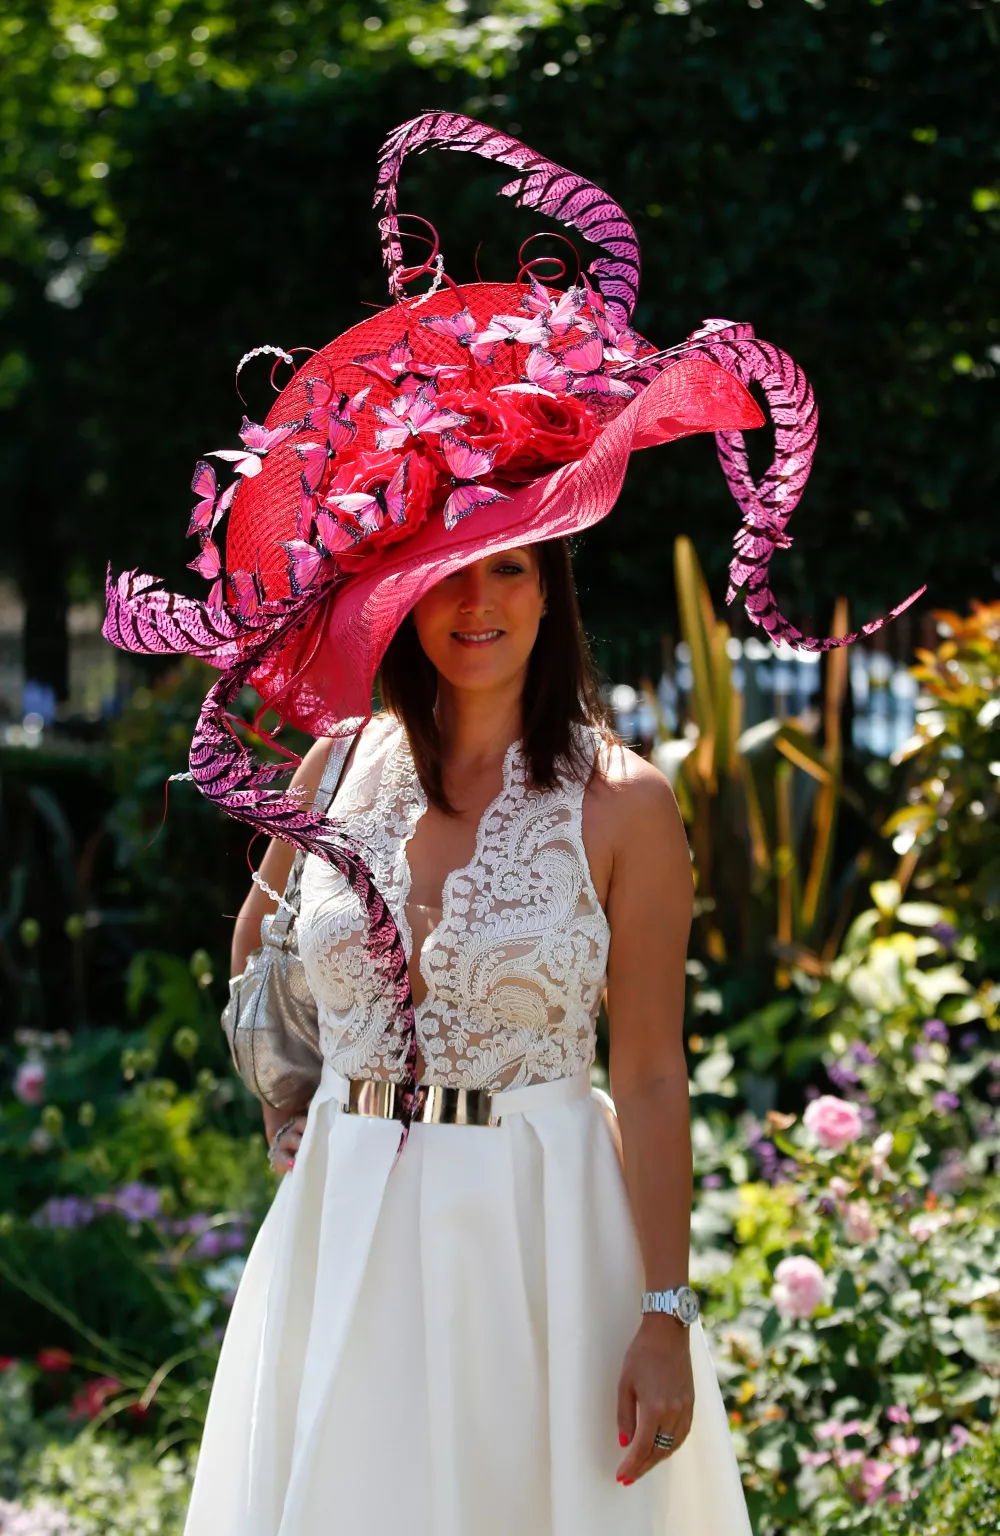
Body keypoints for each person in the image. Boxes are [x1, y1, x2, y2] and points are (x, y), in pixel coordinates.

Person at [102, 109, 915, 1536]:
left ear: (553, 589)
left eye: (517, 573)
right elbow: (259, 956)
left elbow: (653, 1076)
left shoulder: (625, 801)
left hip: (543, 1244)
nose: (480, 607)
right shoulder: (334, 766)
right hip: (343, 1230)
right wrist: (299, 1105)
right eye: (448, 578)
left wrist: (663, 1312)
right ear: (400, 596)